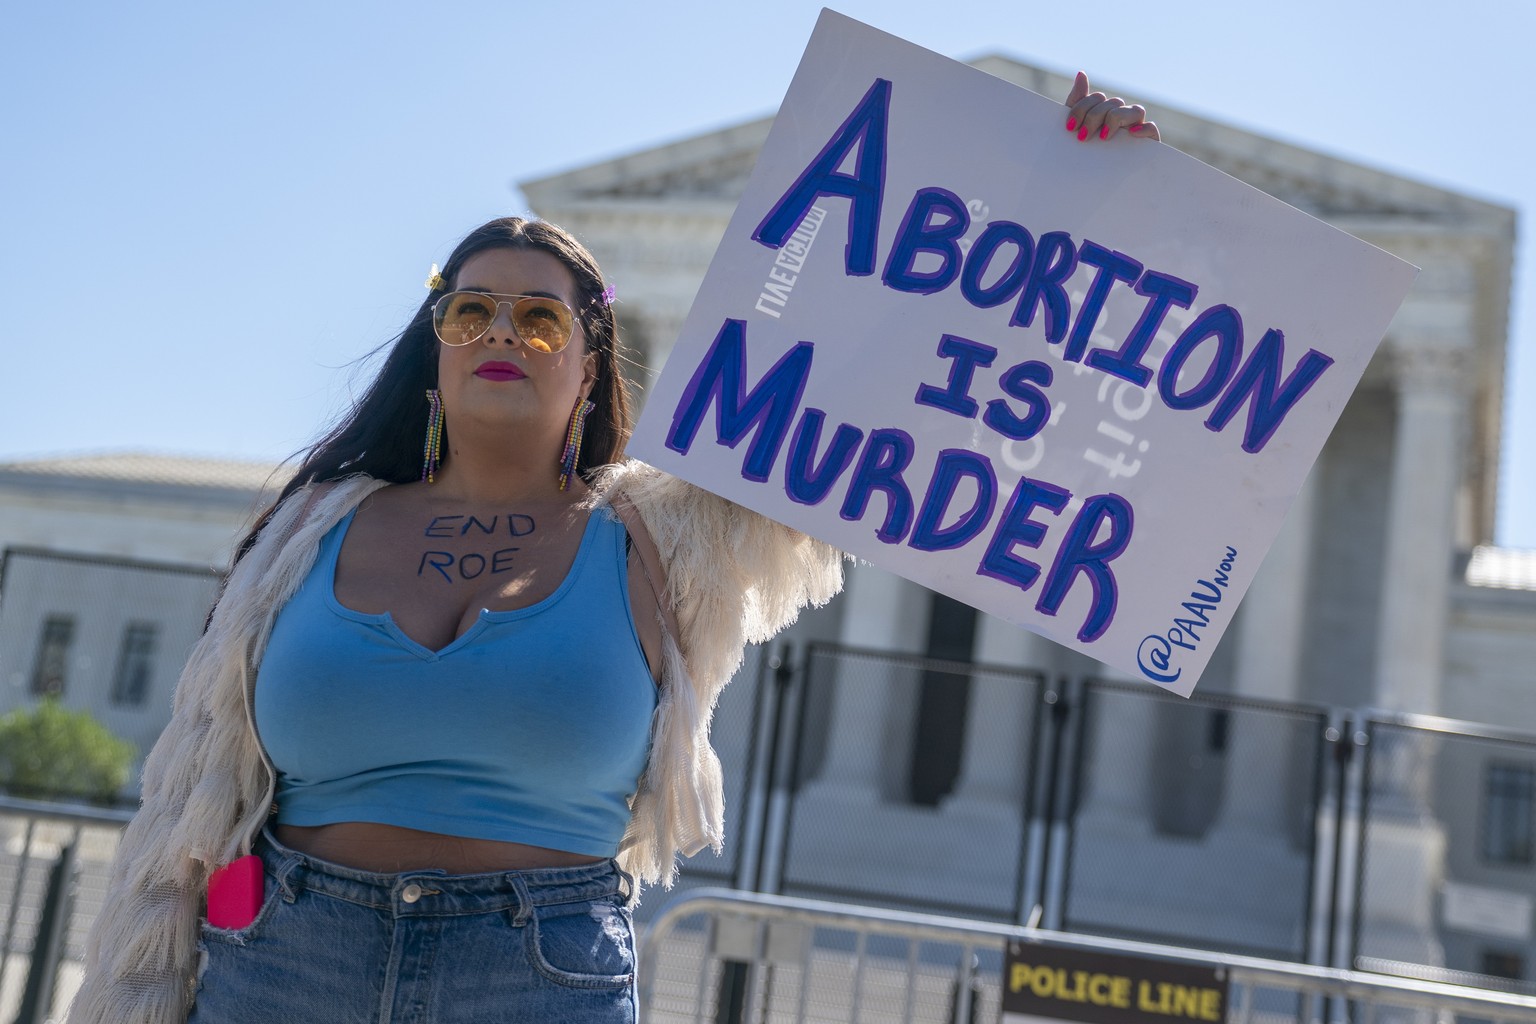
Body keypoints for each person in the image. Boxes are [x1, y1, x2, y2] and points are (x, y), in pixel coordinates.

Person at [67, 74, 1156, 1024]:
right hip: (283, 967)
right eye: (471, 312)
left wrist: (1058, 194)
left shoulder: (663, 537)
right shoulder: (309, 531)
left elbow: (904, 379)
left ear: (592, 366)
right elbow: (186, 808)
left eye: (542, 321)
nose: (502, 332)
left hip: (537, 979)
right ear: (434, 354)